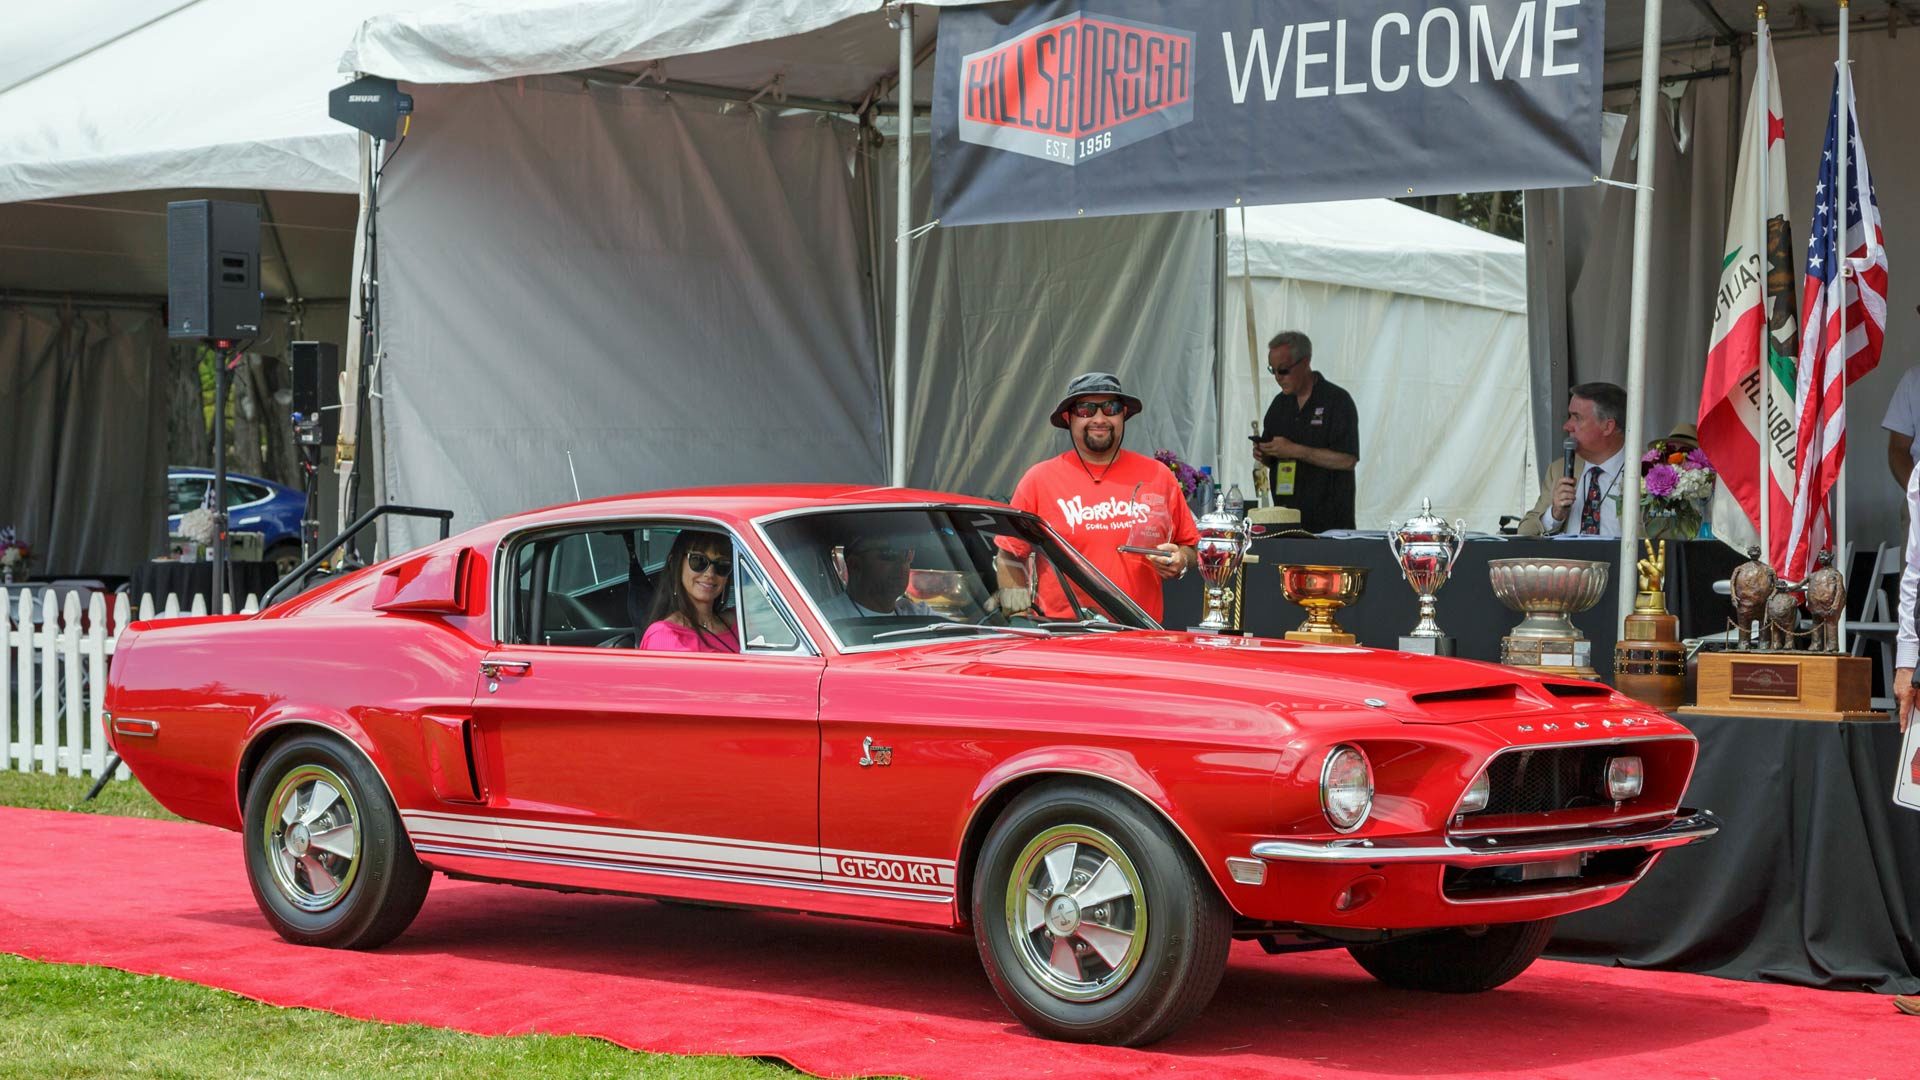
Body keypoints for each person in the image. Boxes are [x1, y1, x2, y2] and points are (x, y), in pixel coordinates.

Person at [1004, 372, 1197, 622]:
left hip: (1141, 634)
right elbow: (1010, 554)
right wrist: (1017, 617)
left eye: (1110, 408)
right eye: (1085, 409)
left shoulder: (1158, 476)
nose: (1099, 418)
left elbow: (1189, 546)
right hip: (1064, 636)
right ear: (1068, 417)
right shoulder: (1038, 480)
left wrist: (1181, 560)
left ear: (1123, 414)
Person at [1253, 331, 1359, 532]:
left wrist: (1295, 450)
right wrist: (1265, 453)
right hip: (1286, 523)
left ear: (1305, 362)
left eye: (1283, 370)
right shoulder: (1279, 404)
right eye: (1272, 370)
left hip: (1330, 526)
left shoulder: (1337, 401)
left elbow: (1347, 460)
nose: (1277, 378)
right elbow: (1273, 459)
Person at [1521, 382, 1629, 538]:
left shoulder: (1650, 471)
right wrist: (1555, 514)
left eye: (1576, 418)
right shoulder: (1558, 469)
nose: (1567, 426)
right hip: (1571, 562)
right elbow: (1525, 532)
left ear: (1608, 427)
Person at [639, 529, 739, 653]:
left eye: (722, 565)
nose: (710, 573)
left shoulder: (740, 623)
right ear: (675, 563)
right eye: (698, 561)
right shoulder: (664, 636)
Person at [817, 533, 933, 620]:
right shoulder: (825, 619)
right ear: (855, 564)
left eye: (907, 554)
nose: (901, 565)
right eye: (889, 554)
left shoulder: (917, 614)